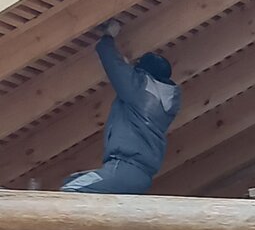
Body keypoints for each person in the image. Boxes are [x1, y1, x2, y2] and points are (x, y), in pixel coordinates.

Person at [60, 21, 180, 193]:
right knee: (73, 181)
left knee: (70, 191)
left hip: (123, 168)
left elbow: (114, 65)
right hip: (139, 176)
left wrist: (108, 37)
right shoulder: (165, 100)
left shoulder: (140, 88)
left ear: (144, 73)